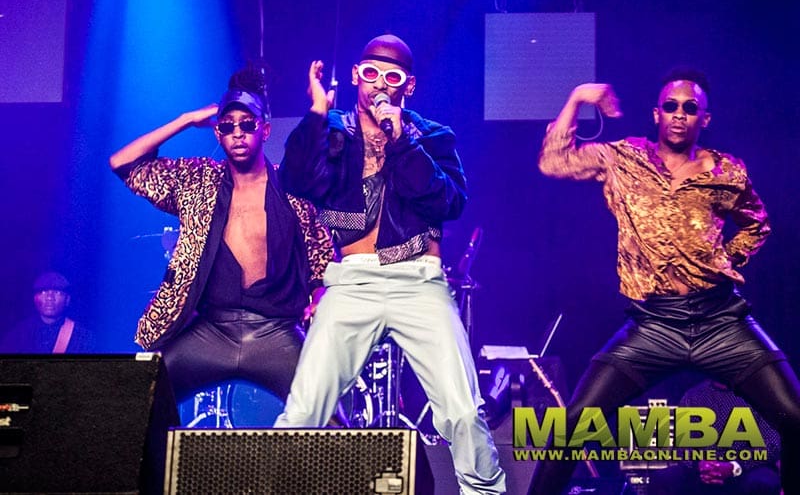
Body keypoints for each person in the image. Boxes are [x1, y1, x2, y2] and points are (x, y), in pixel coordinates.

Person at [528, 68, 800, 494]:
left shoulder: (726, 171)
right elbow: (553, 160)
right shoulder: (623, 158)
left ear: (704, 119)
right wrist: (578, 97)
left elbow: (757, 223)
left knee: (794, 417)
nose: (679, 114)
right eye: (670, 106)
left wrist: (726, 258)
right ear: (657, 114)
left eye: (690, 108)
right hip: (654, 324)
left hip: (720, 320)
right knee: (576, 422)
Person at [274, 34, 506, 494]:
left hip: (419, 281)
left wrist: (401, 142)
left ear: (409, 86)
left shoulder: (432, 137)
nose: (380, 84)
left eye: (392, 76)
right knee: (303, 412)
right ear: (356, 76)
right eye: (371, 73)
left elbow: (448, 202)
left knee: (462, 411)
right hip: (351, 282)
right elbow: (295, 181)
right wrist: (316, 112)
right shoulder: (333, 132)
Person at [108, 65, 333, 407]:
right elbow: (122, 163)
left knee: (330, 416)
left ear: (265, 130)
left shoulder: (292, 188)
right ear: (218, 134)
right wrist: (186, 119)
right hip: (210, 331)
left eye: (247, 125)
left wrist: (319, 296)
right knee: (138, 406)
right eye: (227, 127)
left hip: (275, 331)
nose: (237, 134)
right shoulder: (197, 181)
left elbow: (322, 260)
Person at [648, 379, 781, 495]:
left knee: (762, 481)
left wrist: (734, 466)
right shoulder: (693, 396)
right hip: (701, 470)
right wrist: (700, 465)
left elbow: (772, 443)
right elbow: (682, 446)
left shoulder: (757, 395)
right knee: (664, 478)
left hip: (746, 469)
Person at [0, 271, 96, 353]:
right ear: (35, 298)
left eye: (57, 292)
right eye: (43, 292)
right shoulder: (20, 334)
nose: (50, 298)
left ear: (67, 300)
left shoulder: (82, 336)